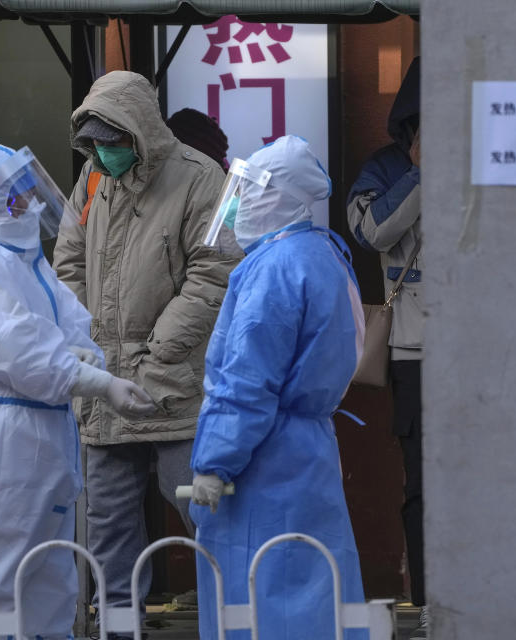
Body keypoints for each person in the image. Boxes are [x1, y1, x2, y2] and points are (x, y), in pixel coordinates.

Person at [0, 140, 157, 640]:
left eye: (27, 187)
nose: (29, 202)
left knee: (45, 592)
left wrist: (84, 356)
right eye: (13, 192)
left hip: (33, 437)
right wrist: (94, 380)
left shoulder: (18, 259)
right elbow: (16, 350)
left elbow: (64, 322)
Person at [53, 70, 238, 633]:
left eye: (111, 141)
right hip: (104, 387)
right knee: (108, 525)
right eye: (94, 144)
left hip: (173, 383)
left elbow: (216, 271)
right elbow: (68, 263)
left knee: (204, 513)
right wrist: (85, 341)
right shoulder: (91, 181)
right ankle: (118, 627)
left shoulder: (201, 178)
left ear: (139, 132)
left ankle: (230, 620)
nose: (103, 153)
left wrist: (159, 351)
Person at [190, 135, 367, 640]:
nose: (238, 205)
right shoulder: (324, 254)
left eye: (247, 193)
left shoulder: (272, 269)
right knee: (317, 596)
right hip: (309, 456)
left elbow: (244, 384)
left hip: (264, 463)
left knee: (258, 602)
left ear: (274, 195)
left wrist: (213, 463)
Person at [346, 57, 425, 639]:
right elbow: (372, 231)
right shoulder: (387, 167)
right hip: (416, 351)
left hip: (486, 350)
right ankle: (426, 600)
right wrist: (421, 174)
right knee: (421, 484)